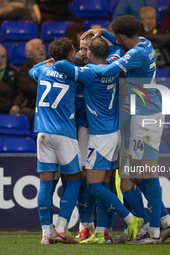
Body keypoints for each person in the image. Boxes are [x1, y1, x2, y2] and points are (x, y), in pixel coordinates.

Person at [85, 15, 170, 244]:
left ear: (122, 36)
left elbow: (108, 71)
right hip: (141, 115)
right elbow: (118, 45)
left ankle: (155, 230)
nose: (115, 39)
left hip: (147, 117)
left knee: (146, 173)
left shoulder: (135, 54)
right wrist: (103, 33)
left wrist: (81, 67)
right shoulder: (143, 42)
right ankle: (158, 223)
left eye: (115, 36)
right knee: (127, 179)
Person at [54, 36, 144, 244]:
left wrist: (72, 55)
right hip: (113, 135)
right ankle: (102, 233)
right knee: (105, 184)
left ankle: (132, 220)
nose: (83, 54)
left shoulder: (89, 73)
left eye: (86, 50)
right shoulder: (113, 65)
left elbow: (60, 64)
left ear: (92, 53)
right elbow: (116, 53)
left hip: (101, 137)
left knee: (95, 186)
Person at [29, 38, 82, 245]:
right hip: (64, 134)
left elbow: (32, 69)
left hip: (42, 132)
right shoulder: (74, 76)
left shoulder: (42, 71)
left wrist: (49, 60)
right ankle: (60, 229)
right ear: (69, 55)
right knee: (74, 181)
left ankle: (45, 233)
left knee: (45, 183)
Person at [18, 39, 46, 127]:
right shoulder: (25, 69)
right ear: (29, 54)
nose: (41, 50)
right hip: (32, 104)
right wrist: (46, 88)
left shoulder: (52, 65)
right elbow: (27, 87)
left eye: (42, 48)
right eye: (37, 49)